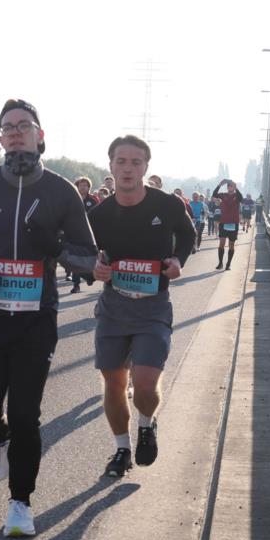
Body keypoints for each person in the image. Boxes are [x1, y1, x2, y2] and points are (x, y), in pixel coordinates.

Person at [0, 98, 98, 537]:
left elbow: (88, 259)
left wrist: (55, 247)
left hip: (37, 318)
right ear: (1, 139)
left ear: (39, 134)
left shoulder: (61, 191)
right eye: (8, 128)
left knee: (26, 413)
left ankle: (21, 503)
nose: (15, 133)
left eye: (23, 126)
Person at [90, 135, 195, 479]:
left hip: (153, 307)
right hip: (114, 307)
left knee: (145, 386)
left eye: (136, 162)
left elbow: (188, 235)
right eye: (121, 162)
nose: (128, 169)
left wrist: (178, 260)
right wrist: (94, 268)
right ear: (111, 166)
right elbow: (85, 252)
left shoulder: (167, 205)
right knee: (114, 384)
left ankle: (147, 424)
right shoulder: (99, 214)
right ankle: (122, 449)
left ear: (146, 167)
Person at [72, 177, 101, 294]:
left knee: (91, 255)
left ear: (89, 187)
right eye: (81, 185)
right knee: (75, 257)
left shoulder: (93, 199)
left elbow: (99, 214)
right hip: (75, 231)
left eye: (85, 185)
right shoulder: (72, 197)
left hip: (91, 232)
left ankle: (89, 275)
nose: (83, 187)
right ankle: (76, 284)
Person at [212, 179, 243, 270]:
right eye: (228, 186)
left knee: (231, 245)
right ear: (227, 187)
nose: (230, 187)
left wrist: (236, 187)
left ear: (234, 187)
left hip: (234, 223)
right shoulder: (223, 195)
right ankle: (220, 263)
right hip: (224, 222)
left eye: (231, 186)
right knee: (221, 243)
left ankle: (228, 264)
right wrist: (219, 185)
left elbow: (241, 198)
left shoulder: (237, 195)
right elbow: (214, 195)